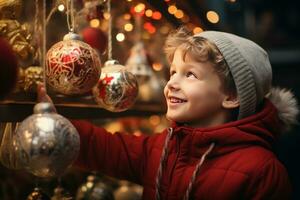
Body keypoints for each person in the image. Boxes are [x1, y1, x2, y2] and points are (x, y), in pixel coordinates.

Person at [38, 27, 299, 200]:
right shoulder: (164, 147)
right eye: (173, 72)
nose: (172, 82)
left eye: (190, 75)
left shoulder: (262, 171)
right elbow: (102, 148)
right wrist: (48, 116)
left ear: (231, 96)